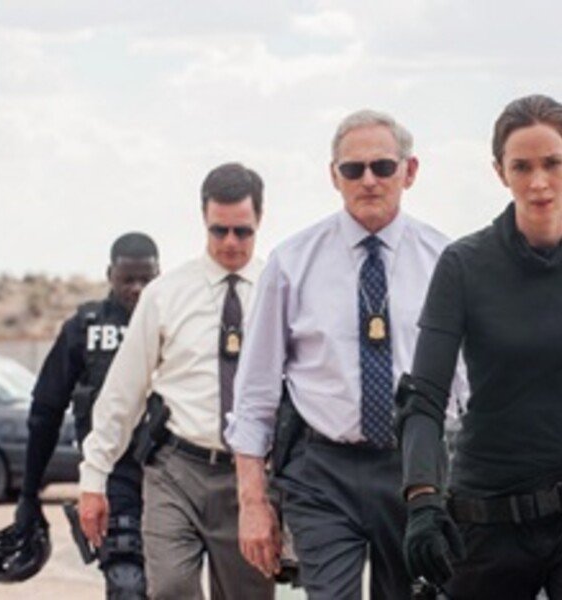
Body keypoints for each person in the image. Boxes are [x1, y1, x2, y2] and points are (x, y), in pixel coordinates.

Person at [226, 109, 466, 599]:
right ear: (334, 176)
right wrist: (252, 503)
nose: (369, 180)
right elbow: (254, 393)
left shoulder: (446, 262)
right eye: (353, 169)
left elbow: (467, 387)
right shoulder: (291, 263)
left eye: (383, 166)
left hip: (414, 471)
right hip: (322, 473)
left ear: (409, 171)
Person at [78, 163, 275, 600]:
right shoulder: (165, 294)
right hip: (176, 470)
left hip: (250, 477)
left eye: (242, 231)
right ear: (203, 218)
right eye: (218, 230)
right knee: (170, 587)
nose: (230, 242)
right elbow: (122, 393)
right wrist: (94, 479)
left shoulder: (278, 291)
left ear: (260, 219)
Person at [398, 94, 562, 600]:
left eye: (553, 163)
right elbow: (425, 397)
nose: (539, 182)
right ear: (500, 172)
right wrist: (422, 499)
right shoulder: (463, 265)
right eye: (522, 167)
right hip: (488, 520)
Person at [0, 232, 160, 597]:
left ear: (160, 275)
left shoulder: (178, 323)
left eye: (146, 279)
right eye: (128, 279)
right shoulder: (85, 328)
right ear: (110, 275)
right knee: (127, 582)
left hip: (171, 472)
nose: (137, 290)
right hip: (112, 474)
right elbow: (44, 414)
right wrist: (29, 496)